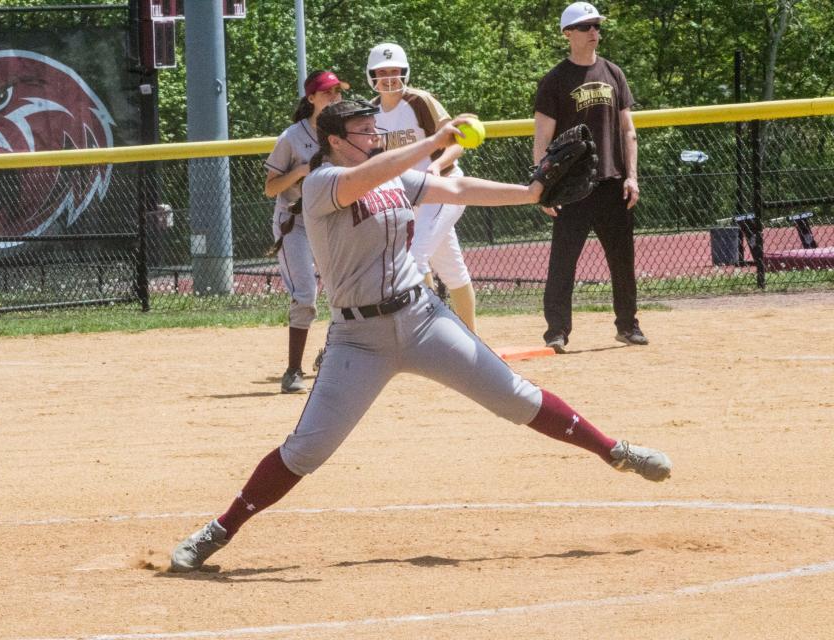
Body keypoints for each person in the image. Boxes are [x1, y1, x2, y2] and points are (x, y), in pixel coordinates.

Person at [169, 99, 672, 573]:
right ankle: (218, 530)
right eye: (363, 131)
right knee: (306, 451)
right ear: (336, 141)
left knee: (516, 397)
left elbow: (454, 190)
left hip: (423, 319)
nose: (373, 136)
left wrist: (529, 193)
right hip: (357, 339)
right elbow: (366, 178)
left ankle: (614, 450)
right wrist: (435, 140)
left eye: (373, 128)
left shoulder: (391, 176)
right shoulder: (323, 182)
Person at [534, 2, 646, 354]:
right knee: (563, 262)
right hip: (571, 188)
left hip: (613, 182)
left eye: (596, 26)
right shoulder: (554, 81)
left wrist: (633, 177)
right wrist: (543, 188)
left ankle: (628, 325)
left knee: (622, 261)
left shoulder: (613, 73)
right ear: (568, 34)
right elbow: (542, 140)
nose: (594, 32)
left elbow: (628, 131)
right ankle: (556, 331)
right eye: (585, 27)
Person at [366, 42, 479, 334]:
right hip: (410, 198)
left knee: (413, 258)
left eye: (395, 71)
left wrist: (436, 166)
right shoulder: (371, 113)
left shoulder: (419, 101)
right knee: (452, 270)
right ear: (372, 75)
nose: (389, 77)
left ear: (405, 73)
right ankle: (471, 337)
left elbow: (456, 145)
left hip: (444, 188)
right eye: (382, 72)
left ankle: (427, 332)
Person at [263, 70, 349, 393]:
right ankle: (293, 371)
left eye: (337, 92)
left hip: (331, 221)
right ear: (311, 98)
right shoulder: (291, 138)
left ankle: (329, 353)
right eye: (327, 93)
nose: (334, 98)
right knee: (306, 295)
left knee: (344, 291)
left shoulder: (342, 133)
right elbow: (270, 189)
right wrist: (299, 170)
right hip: (295, 222)